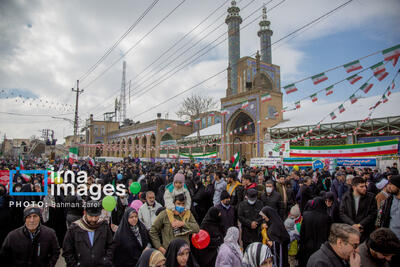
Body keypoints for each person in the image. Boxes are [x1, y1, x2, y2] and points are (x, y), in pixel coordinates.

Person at [63, 200, 113, 267]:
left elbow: (111, 245)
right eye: (91, 216)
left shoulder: (104, 226)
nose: (93, 219)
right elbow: (67, 250)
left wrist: (106, 260)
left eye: (96, 216)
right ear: (85, 213)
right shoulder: (74, 228)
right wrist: (74, 264)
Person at [339, 176, 377, 242]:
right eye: (361, 187)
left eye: (365, 186)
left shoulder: (371, 197)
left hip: (366, 232)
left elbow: (373, 213)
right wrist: (353, 225)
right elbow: (342, 213)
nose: (364, 188)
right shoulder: (346, 197)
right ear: (354, 187)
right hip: (350, 231)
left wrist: (360, 225)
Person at [298, 197, 331, 267]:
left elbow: (302, 233)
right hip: (320, 248)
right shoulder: (326, 218)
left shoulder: (306, 215)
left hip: (307, 246)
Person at [377, 175, 400, 240]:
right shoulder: (388, 200)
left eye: (391, 184)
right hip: (390, 238)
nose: (388, 187)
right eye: (388, 184)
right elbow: (380, 216)